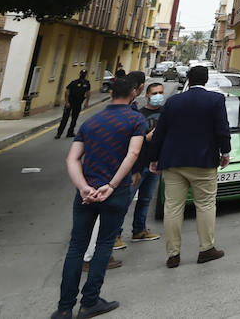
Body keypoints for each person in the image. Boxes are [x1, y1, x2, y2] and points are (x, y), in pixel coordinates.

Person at [51, 75, 146, 319]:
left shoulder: (91, 122)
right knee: (104, 244)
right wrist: (112, 185)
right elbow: (133, 154)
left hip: (86, 193)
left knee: (76, 247)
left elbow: (72, 159)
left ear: (111, 93)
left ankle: (63, 308)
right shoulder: (135, 120)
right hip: (114, 192)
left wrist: (83, 187)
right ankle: (89, 302)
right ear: (134, 93)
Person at [146, 64, 230, 269]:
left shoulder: (173, 102)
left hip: (173, 161)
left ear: (189, 81)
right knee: (206, 204)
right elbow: (222, 129)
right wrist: (225, 152)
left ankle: (173, 254)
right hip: (203, 162)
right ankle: (206, 249)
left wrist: (153, 158)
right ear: (206, 80)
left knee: (173, 208)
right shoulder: (215, 100)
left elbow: (160, 132)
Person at [127, 82, 167, 243]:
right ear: (147, 96)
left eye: (161, 93)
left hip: (156, 164)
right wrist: (146, 138)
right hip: (140, 164)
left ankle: (139, 230)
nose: (159, 96)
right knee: (127, 200)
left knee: (145, 199)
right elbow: (130, 140)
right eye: (155, 93)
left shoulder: (165, 114)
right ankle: (115, 234)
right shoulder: (139, 115)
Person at [57, 70, 93, 139]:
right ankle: (59, 133)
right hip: (70, 102)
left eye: (84, 74)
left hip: (78, 103)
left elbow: (88, 93)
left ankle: (70, 132)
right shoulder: (74, 82)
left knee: (74, 118)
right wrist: (67, 102)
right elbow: (67, 92)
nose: (83, 75)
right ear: (80, 74)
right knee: (65, 118)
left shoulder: (87, 83)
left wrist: (87, 102)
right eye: (82, 73)